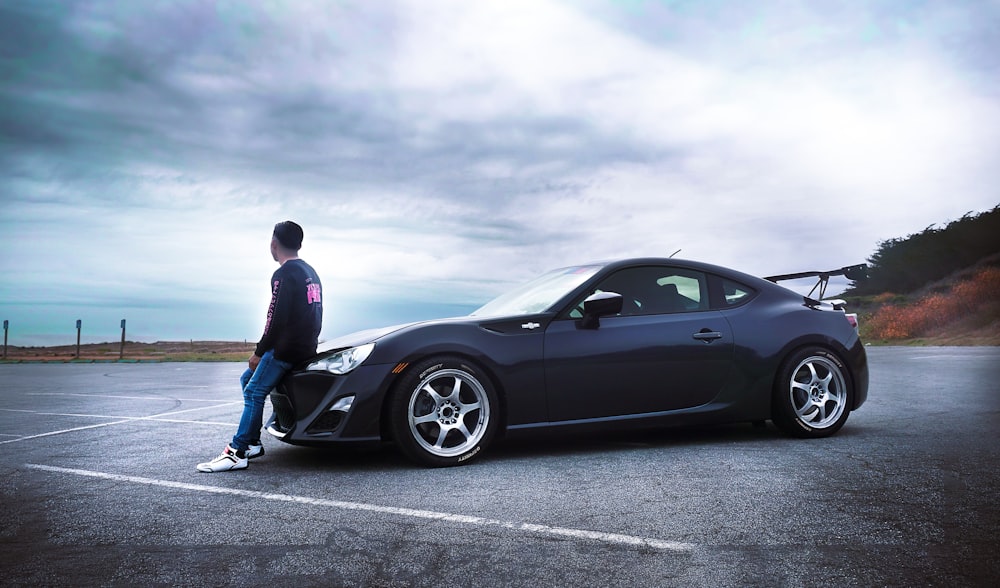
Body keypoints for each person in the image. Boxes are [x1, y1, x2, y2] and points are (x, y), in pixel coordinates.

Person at [197, 221, 323, 472]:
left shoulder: (284, 274)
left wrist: (259, 351)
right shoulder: (310, 272)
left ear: (274, 244)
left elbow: (275, 318)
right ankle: (253, 442)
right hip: (305, 346)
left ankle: (238, 451)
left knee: (254, 391)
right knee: (247, 380)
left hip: (285, 350)